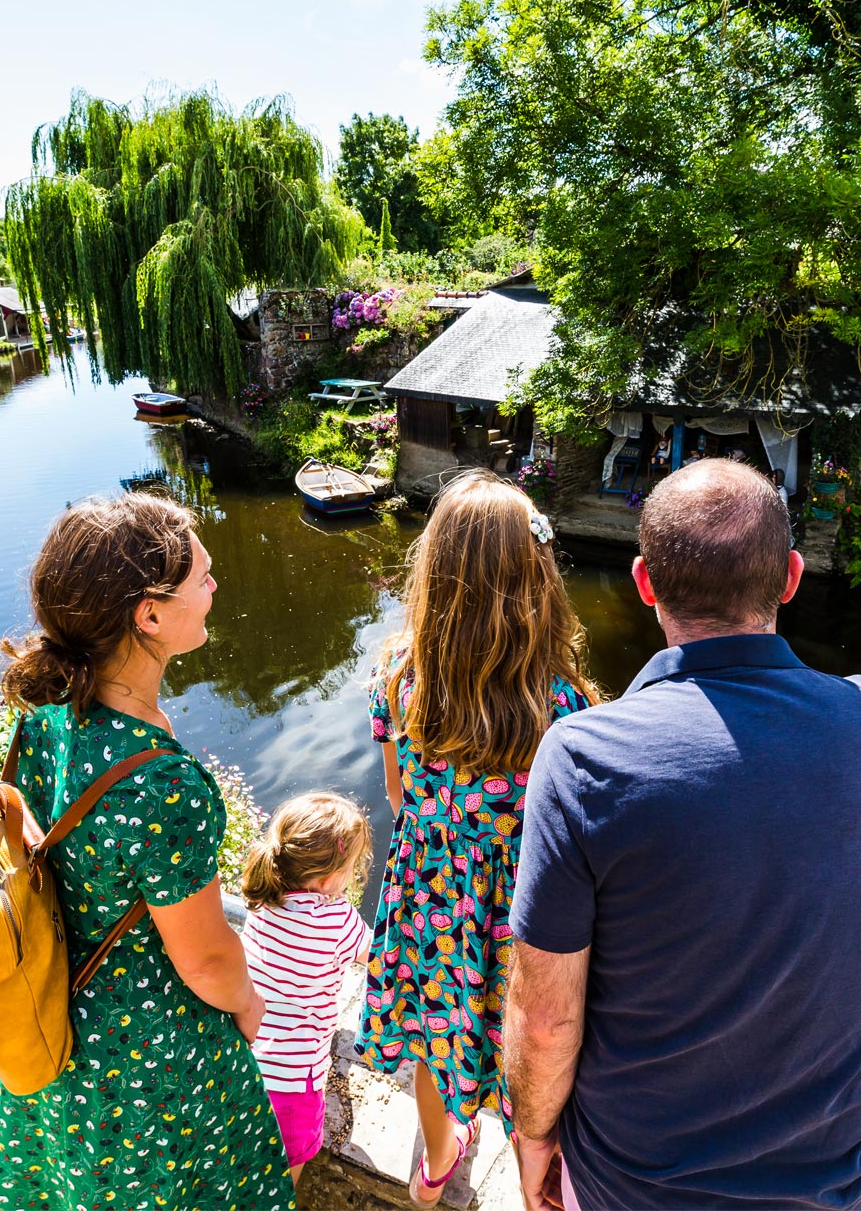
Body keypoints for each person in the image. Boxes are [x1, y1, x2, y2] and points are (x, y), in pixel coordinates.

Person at [506, 458, 861, 1211]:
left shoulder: (583, 759)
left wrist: (534, 1139)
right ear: (791, 577)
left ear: (644, 583)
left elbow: (545, 1019)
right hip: (834, 1174)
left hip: (637, 1185)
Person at [0, 492, 293, 1211]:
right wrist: (249, 1007)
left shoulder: (50, 719)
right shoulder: (163, 785)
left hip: (55, 1033)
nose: (216, 587)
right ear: (148, 615)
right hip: (148, 1065)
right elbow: (207, 960)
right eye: (203, 578)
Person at [359, 469, 600, 1209]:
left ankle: (436, 1162)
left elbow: (400, 798)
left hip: (430, 891)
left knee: (437, 1035)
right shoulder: (562, 701)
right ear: (535, 575)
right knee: (527, 1036)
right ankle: (529, 1160)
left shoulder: (400, 677)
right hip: (520, 905)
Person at [239, 792, 375, 1182]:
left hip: (247, 1062)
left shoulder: (261, 897)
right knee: (285, 1173)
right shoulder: (336, 919)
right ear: (330, 878)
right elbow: (378, 959)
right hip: (295, 1079)